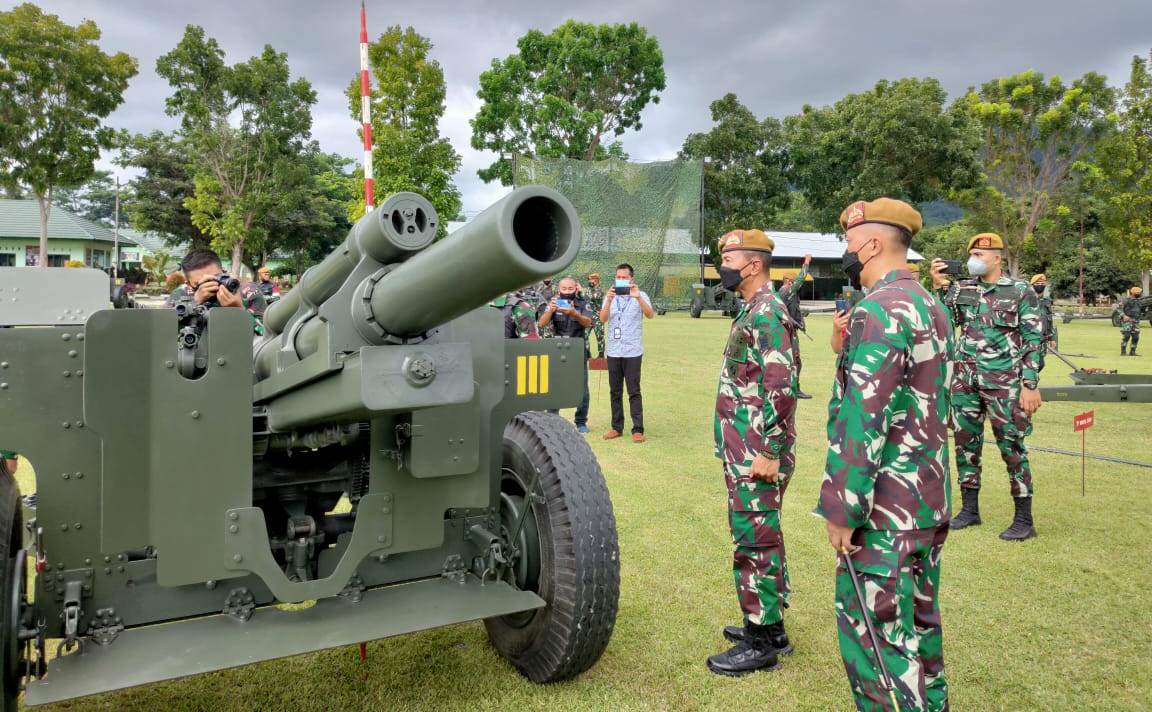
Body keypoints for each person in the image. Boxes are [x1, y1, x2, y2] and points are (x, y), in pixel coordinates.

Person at [817, 198, 952, 712]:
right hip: (926, 497)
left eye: (850, 242)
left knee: (877, 644)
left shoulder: (878, 309)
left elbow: (864, 417)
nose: (847, 252)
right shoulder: (932, 305)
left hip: (885, 511)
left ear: (871, 243)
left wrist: (842, 509)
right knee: (920, 631)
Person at [706, 229, 798, 677]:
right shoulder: (752, 309)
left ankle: (761, 642)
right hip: (745, 445)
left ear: (754, 264)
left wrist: (770, 450)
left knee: (755, 540)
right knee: (764, 534)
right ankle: (772, 626)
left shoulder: (767, 313)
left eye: (729, 256)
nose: (722, 262)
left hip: (756, 452)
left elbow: (781, 388)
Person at [931, 233, 1043, 541]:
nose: (974, 259)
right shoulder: (964, 289)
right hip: (965, 381)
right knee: (965, 444)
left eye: (980, 254)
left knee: (1012, 447)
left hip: (1004, 383)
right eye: (972, 254)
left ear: (997, 258)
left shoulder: (1020, 291)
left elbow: (1035, 340)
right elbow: (944, 321)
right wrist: (939, 288)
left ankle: (1024, 519)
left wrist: (1030, 384)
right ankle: (970, 510)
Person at [599, 263, 654, 443]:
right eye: (618, 277)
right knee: (615, 391)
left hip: (632, 351)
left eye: (624, 277)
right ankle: (616, 427)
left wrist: (638, 297)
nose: (621, 280)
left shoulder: (641, 294)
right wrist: (608, 300)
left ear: (632, 278)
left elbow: (650, 314)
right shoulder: (610, 296)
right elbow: (603, 319)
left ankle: (637, 429)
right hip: (614, 350)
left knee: (634, 391)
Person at [166, 249, 268, 335]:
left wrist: (239, 311)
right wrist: (193, 305)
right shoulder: (180, 294)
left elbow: (266, 336)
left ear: (223, 272)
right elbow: (165, 333)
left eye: (215, 278)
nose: (209, 287)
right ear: (188, 284)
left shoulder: (248, 292)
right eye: (200, 284)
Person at [539, 276, 594, 433]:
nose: (567, 292)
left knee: (582, 387)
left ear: (576, 289)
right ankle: (552, 419)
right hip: (558, 349)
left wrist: (574, 313)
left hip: (578, 349)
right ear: (559, 289)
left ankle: (581, 421)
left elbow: (588, 322)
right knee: (555, 385)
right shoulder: (553, 302)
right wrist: (551, 309)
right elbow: (541, 323)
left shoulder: (583, 303)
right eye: (564, 289)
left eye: (571, 289)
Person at [778, 254, 812, 398]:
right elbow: (800, 280)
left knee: (789, 361)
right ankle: (794, 389)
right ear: (790, 281)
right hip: (788, 331)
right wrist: (807, 263)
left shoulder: (783, 293)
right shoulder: (787, 290)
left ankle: (787, 388)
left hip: (787, 330)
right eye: (794, 282)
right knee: (795, 361)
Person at [1030, 273, 1055, 369]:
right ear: (1032, 285)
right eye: (1037, 283)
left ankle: (1030, 382)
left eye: (1042, 283)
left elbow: (1049, 320)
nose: (1040, 285)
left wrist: (1052, 338)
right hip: (1029, 338)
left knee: (1040, 364)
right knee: (1033, 364)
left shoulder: (1046, 301)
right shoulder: (1026, 299)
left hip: (1042, 339)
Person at [584, 272, 606, 357]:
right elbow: (584, 299)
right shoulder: (588, 290)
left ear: (596, 280)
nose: (590, 281)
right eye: (589, 279)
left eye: (591, 279)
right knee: (584, 334)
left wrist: (591, 289)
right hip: (588, 317)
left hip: (598, 317)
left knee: (599, 336)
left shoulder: (600, 290)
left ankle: (601, 354)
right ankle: (587, 352)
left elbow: (595, 297)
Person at [1120, 286, 1143, 356]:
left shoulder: (1139, 300)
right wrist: (1124, 315)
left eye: (1139, 293)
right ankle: (1123, 352)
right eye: (1137, 293)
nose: (1139, 294)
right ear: (1133, 293)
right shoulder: (1126, 300)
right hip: (1127, 321)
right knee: (1126, 336)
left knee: (1136, 337)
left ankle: (1132, 352)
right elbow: (1118, 309)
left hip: (1136, 321)